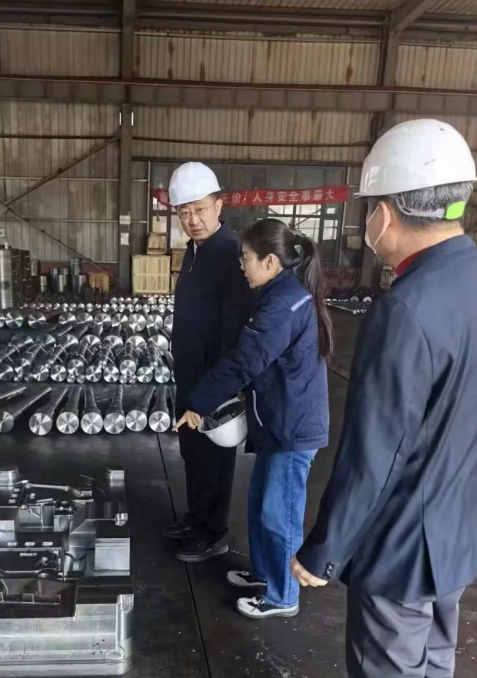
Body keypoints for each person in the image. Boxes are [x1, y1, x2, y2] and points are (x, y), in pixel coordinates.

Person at [292, 118, 477, 678]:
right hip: (456, 537)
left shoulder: (405, 309)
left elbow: (376, 452)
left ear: (387, 213)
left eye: (371, 207)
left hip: (400, 549)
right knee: (436, 664)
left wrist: (324, 549)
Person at [175, 218, 331, 619]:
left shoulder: (282, 305)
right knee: (262, 505)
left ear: (270, 262)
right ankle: (264, 573)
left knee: (280, 515)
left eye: (246, 258)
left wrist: (199, 403)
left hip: (292, 427)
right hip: (276, 420)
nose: (241, 266)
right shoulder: (278, 294)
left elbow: (246, 361)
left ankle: (282, 596)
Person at [166, 162, 251, 563]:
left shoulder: (230, 254)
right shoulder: (193, 252)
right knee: (193, 454)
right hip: (189, 374)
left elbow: (232, 327)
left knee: (214, 458)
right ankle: (196, 518)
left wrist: (218, 387)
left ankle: (213, 531)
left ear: (219, 205)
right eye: (184, 212)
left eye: (200, 209)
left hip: (213, 379)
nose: (193, 220)